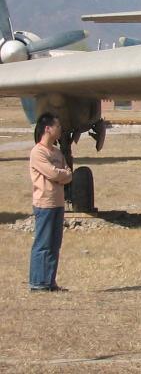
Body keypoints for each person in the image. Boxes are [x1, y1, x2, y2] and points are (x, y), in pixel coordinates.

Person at [29, 113, 72, 292]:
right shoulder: (38, 152)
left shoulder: (57, 152)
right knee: (43, 244)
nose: (60, 129)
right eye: (58, 126)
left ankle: (49, 282)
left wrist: (61, 174)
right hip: (44, 204)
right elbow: (55, 173)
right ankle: (38, 283)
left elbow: (68, 174)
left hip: (58, 203)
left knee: (54, 244)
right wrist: (61, 174)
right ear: (48, 128)